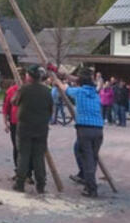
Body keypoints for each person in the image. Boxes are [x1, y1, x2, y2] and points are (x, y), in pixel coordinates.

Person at [56, 67, 103, 197]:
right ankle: (86, 177)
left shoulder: (79, 92)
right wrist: (65, 75)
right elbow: (79, 80)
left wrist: (57, 81)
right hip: (98, 130)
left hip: (85, 129)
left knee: (87, 159)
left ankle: (91, 188)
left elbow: (64, 88)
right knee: (88, 155)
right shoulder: (95, 92)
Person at [13, 65, 53, 194]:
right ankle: (41, 185)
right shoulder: (47, 91)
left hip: (25, 127)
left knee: (23, 155)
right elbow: (51, 109)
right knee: (39, 157)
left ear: (29, 76)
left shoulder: (24, 89)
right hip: (41, 128)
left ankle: (20, 183)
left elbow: (14, 102)